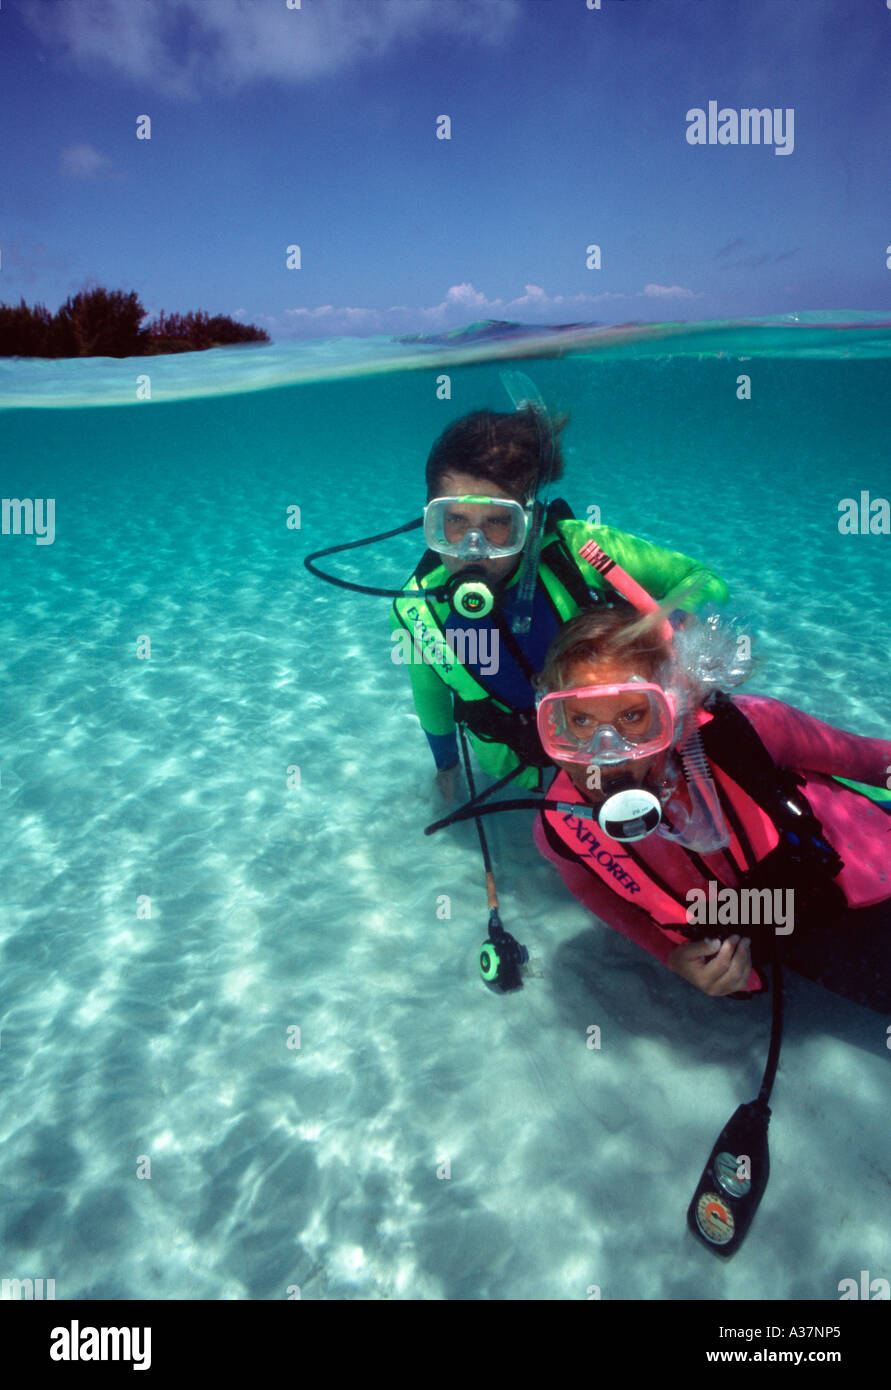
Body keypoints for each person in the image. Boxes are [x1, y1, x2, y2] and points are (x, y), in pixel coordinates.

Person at [532, 604, 891, 1011]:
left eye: (632, 715)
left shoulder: (747, 729)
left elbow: (869, 760)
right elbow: (585, 884)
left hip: (867, 872)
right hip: (802, 942)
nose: (607, 751)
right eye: (580, 721)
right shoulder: (560, 827)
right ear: (553, 721)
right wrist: (669, 956)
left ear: (669, 707)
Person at [390, 402, 729, 800]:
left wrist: (673, 630)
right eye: (455, 521)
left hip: (620, 755)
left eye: (498, 523)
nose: (473, 548)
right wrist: (446, 767)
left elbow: (704, 580)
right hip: (515, 779)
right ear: (431, 521)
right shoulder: (417, 611)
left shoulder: (580, 551)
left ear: (529, 521)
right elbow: (430, 697)